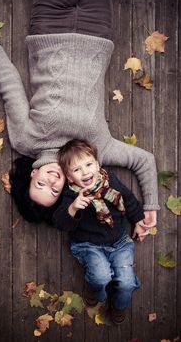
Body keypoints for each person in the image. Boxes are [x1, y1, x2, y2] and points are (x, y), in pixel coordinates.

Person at [0, 0, 159, 228]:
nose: (51, 181)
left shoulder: (26, 141)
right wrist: (150, 205)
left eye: (40, 184)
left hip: (49, 28)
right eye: (54, 191)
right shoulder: (95, 154)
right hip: (97, 31)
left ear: (32, 175)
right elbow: (144, 160)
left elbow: (10, 85)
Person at [52, 139, 146, 324]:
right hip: (88, 245)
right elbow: (60, 223)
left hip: (119, 242)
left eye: (88, 164)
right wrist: (72, 208)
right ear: (70, 177)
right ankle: (96, 288)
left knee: (126, 282)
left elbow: (127, 199)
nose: (85, 171)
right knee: (101, 276)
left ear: (97, 164)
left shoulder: (109, 180)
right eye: (77, 169)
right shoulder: (71, 194)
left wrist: (138, 220)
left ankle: (118, 306)